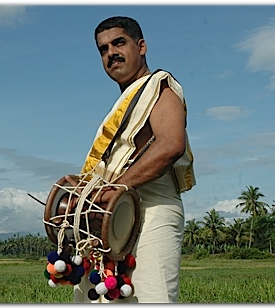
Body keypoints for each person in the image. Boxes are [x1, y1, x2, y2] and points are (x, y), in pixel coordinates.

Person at [66, 16, 196, 303]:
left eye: (119, 43)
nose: (110, 53)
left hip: (152, 210)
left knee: (152, 299)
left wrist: (115, 188)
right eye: (103, 49)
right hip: (111, 215)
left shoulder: (160, 87)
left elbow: (171, 144)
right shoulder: (124, 104)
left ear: (142, 46)